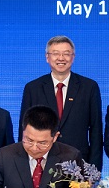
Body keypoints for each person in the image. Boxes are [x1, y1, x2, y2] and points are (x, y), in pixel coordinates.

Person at [0, 105, 83, 188]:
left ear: (55, 137)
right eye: (29, 140)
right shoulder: (6, 156)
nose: (34, 148)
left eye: (42, 143)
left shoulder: (70, 157)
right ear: (23, 131)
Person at [20, 36, 103, 169]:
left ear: (73, 57)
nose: (61, 58)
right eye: (56, 53)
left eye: (66, 54)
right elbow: (23, 130)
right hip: (40, 161)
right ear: (47, 57)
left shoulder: (89, 87)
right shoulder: (33, 88)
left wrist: (94, 170)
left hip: (78, 163)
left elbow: (96, 131)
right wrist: (24, 165)